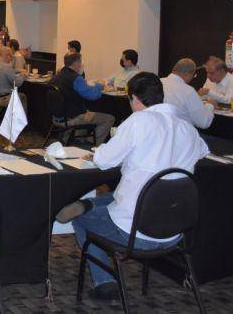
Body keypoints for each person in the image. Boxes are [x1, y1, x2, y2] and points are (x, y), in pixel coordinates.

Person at [55, 72, 209, 301]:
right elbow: (202, 153)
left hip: (134, 230)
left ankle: (105, 282)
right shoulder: (187, 128)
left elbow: (103, 160)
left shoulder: (138, 122)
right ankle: (89, 204)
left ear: (134, 99)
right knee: (120, 196)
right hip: (174, 231)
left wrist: (106, 153)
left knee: (83, 218)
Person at [49, 53, 114, 144]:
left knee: (86, 113)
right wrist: (99, 85)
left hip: (57, 117)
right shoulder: (76, 78)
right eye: (80, 61)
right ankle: (90, 144)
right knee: (109, 119)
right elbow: (92, 96)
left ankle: (76, 140)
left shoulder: (56, 77)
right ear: (76, 62)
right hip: (72, 118)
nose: (81, 64)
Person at [161, 58, 214, 129]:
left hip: (159, 129)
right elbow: (204, 123)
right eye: (194, 75)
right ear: (187, 74)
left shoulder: (158, 82)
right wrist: (210, 105)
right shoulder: (188, 91)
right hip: (180, 132)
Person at [0, 47, 28, 111]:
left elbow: (3, 71)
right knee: (22, 96)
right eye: (11, 56)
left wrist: (17, 70)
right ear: (8, 56)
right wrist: (24, 75)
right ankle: (19, 117)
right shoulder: (6, 67)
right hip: (3, 99)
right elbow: (17, 82)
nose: (11, 59)